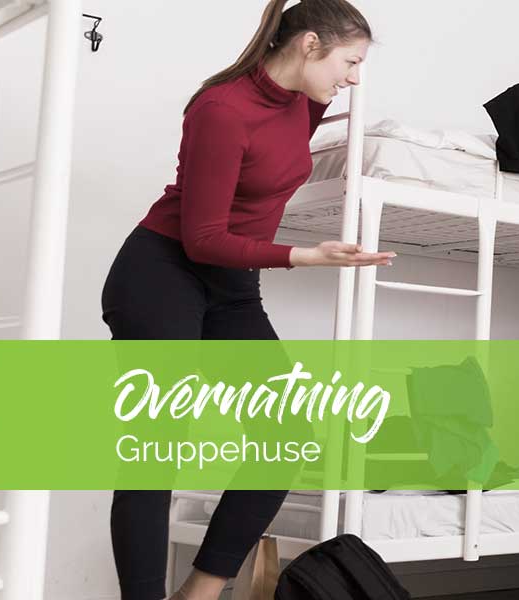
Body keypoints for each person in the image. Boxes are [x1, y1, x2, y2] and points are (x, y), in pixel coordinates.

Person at [99, 1, 389, 598]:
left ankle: (201, 591)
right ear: (309, 44)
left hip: (231, 288)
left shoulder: (306, 100)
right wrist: (304, 255)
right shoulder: (221, 109)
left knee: (286, 435)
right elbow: (202, 239)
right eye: (351, 62)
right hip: (162, 273)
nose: (355, 78)